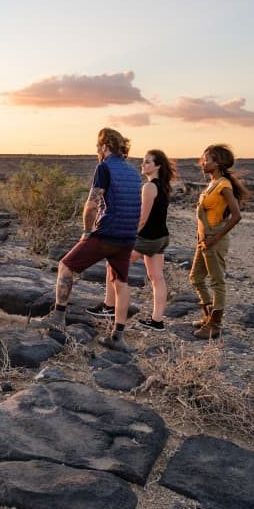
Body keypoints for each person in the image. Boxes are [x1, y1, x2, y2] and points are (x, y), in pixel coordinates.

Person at [44, 127, 144, 351]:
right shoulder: (132, 172)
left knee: (66, 266)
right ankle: (118, 336)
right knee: (121, 282)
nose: (97, 151)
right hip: (127, 237)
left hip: (107, 233)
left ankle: (58, 317)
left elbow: (90, 206)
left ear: (105, 147)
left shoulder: (104, 167)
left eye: (98, 147)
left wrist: (87, 232)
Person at [88, 149, 178, 330]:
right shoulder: (164, 186)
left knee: (112, 264)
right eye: (143, 162)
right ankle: (157, 321)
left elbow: (142, 219)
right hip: (161, 238)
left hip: (146, 239)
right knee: (157, 278)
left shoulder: (149, 187)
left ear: (158, 165)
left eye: (147, 162)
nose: (142, 165)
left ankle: (109, 306)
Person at [189, 143, 247, 339]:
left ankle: (215, 325)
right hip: (204, 240)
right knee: (195, 278)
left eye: (207, 159)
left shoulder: (224, 185)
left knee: (216, 281)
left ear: (218, 162)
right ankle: (208, 318)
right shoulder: (212, 184)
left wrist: (216, 237)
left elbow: (236, 215)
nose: (203, 162)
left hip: (214, 239)